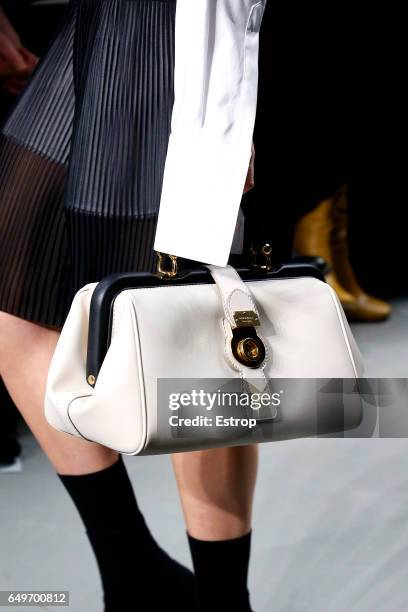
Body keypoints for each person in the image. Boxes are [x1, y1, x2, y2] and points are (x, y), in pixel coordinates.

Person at [0, 1, 261, 610]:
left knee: (192, 334)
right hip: (95, 25)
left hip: (182, 37)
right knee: (16, 307)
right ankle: (131, 568)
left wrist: (228, 113)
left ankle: (222, 599)